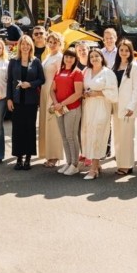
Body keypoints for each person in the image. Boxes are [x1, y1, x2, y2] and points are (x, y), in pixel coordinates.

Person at [6, 35, 44, 170]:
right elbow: (9, 81)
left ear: (31, 46)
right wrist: (9, 98)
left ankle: (28, 158)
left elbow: (42, 80)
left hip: (31, 102)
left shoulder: (36, 62)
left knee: (29, 129)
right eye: (23, 44)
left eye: (28, 44)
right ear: (19, 46)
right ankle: (19, 158)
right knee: (17, 130)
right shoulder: (13, 62)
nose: (25, 47)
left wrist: (30, 84)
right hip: (16, 101)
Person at [82, 48, 118, 180]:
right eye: (91, 57)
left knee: (98, 134)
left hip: (102, 106)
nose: (94, 59)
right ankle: (97, 165)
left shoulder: (107, 73)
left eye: (97, 56)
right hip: (88, 107)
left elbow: (114, 93)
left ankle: (93, 168)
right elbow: (82, 87)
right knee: (89, 134)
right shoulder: (87, 71)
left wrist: (97, 93)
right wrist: (85, 93)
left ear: (102, 57)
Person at [50, 47, 84, 176]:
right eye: (67, 57)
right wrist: (56, 103)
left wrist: (61, 104)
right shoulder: (59, 71)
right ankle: (69, 162)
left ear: (75, 59)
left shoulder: (77, 72)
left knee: (71, 136)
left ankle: (75, 164)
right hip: (59, 108)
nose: (68, 59)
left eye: (71, 57)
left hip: (72, 108)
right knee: (64, 137)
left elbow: (78, 93)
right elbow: (52, 90)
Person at [111, 39, 137, 176]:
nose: (123, 53)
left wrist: (131, 106)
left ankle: (127, 165)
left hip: (128, 107)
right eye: (121, 50)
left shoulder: (135, 66)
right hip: (116, 105)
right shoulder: (115, 66)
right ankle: (121, 163)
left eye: (126, 50)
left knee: (127, 137)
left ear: (131, 51)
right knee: (118, 136)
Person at [39, 31, 64, 167]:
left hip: (52, 91)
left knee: (53, 123)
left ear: (60, 43)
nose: (53, 44)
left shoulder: (60, 57)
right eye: (50, 42)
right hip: (44, 91)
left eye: (55, 42)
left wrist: (56, 95)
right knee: (45, 122)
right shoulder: (48, 56)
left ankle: (55, 156)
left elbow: (60, 77)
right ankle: (47, 153)